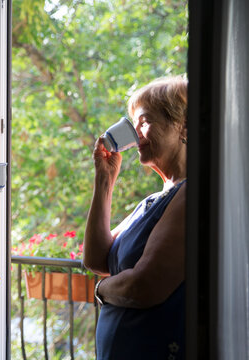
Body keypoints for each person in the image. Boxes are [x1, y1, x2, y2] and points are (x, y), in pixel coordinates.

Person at [83, 76, 187, 359]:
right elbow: (96, 259)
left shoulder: (192, 193)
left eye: (144, 122)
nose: (136, 134)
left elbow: (145, 286)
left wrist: (103, 290)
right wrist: (104, 180)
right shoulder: (154, 200)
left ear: (183, 126)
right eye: (134, 125)